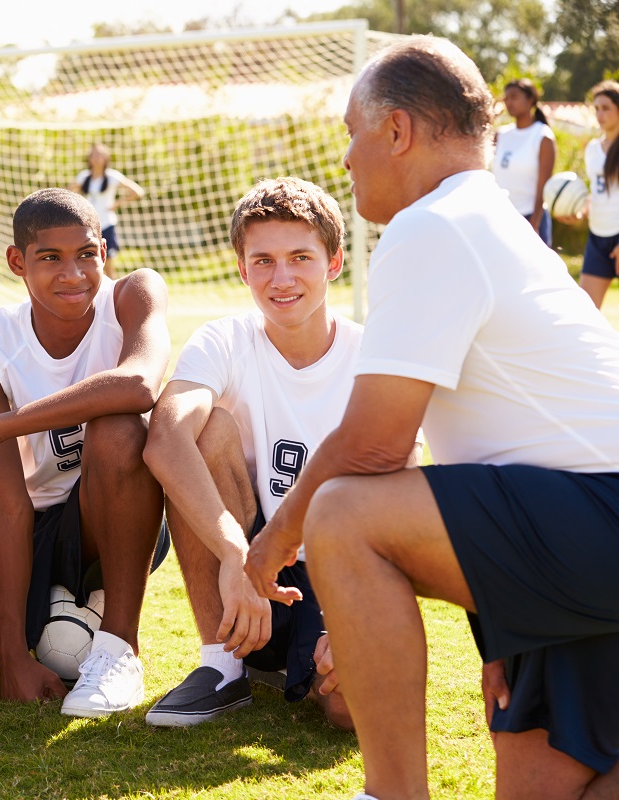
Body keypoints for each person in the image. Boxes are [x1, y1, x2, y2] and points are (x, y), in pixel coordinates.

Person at [245, 37, 619, 800]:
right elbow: (506, 450)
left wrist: (274, 540)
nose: (345, 158)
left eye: (352, 132)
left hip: (600, 525)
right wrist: (503, 618)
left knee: (341, 512)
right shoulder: (482, 217)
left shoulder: (434, 224)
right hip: (575, 556)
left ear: (397, 132)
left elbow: (374, 446)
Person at [143, 177, 415, 730]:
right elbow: (165, 437)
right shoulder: (225, 340)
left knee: (348, 711)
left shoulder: (375, 354)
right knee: (206, 428)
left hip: (338, 562)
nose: (282, 277)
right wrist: (233, 553)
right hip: (248, 549)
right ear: (242, 270)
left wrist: (356, 620)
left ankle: (298, 655)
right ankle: (223, 664)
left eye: (300, 257)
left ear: (335, 262)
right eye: (263, 261)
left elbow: (399, 500)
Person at [0, 188, 172, 719]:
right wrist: (12, 655)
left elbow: (140, 384)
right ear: (17, 261)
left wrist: (1, 427)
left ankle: (119, 646)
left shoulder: (134, 295)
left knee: (118, 430)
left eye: (87, 254)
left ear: (103, 253)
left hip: (109, 515)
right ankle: (56, 613)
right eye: (51, 257)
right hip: (26, 520)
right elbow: (6, 504)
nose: (73, 274)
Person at [490, 78, 556, 246]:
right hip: (501, 217)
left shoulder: (542, 136)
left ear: (530, 100)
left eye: (514, 97)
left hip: (530, 217)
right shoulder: (501, 134)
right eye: (506, 98)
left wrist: (534, 225)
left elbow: (543, 186)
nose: (509, 102)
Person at [70, 143, 145, 279]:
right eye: (94, 154)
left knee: (107, 264)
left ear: (106, 157)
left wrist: (117, 204)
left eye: (100, 154)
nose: (97, 157)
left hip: (106, 224)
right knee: (87, 262)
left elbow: (137, 191)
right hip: (88, 226)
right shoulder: (84, 177)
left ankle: (113, 296)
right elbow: (67, 192)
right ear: (89, 158)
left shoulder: (112, 176)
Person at [578, 81, 619, 308]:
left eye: (606, 108)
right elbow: (596, 191)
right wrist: (581, 210)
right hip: (598, 236)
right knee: (586, 312)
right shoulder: (593, 148)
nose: (600, 114)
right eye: (597, 109)